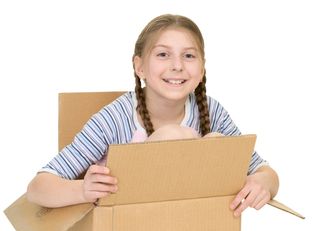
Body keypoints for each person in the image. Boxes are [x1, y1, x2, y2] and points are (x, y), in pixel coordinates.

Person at [27, 14, 279, 217]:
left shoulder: (212, 112)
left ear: (201, 69)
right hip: (133, 227)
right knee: (173, 136)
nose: (177, 65)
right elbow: (37, 189)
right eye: (162, 54)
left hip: (192, 230)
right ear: (140, 67)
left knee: (216, 140)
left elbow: (265, 172)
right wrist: (82, 190)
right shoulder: (114, 119)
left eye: (188, 56)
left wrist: (262, 183)